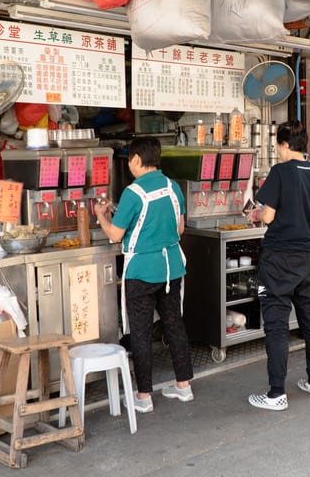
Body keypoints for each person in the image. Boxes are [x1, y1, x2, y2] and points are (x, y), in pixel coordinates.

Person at [93, 136, 194, 413]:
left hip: (141, 272)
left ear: (137, 159)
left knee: (140, 332)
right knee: (174, 325)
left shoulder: (133, 193)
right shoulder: (173, 187)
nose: (129, 166)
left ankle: (144, 396)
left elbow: (115, 235)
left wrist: (101, 215)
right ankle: (184, 386)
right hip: (172, 269)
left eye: (129, 161)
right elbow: (180, 228)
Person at [247, 121, 310, 411]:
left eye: (278, 147)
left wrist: (256, 214)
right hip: (307, 255)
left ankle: (276, 393)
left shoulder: (280, 172)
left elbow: (268, 216)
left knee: (276, 324)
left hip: (278, 258)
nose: (278, 151)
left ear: (283, 144)